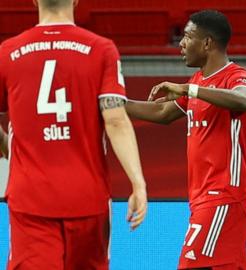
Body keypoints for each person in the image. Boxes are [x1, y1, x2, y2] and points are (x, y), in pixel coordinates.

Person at [0, 0, 148, 269]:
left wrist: (8, 147)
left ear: (34, 1)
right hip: (88, 198)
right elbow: (116, 120)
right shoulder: (101, 49)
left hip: (30, 198)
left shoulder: (8, 51)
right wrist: (138, 183)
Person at [126, 10, 246, 270]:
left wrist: (187, 89)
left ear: (207, 43)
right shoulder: (198, 80)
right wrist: (112, 104)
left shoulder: (235, 76)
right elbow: (163, 112)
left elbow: (245, 99)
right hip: (201, 199)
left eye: (187, 37)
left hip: (224, 196)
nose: (181, 44)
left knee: (190, 264)